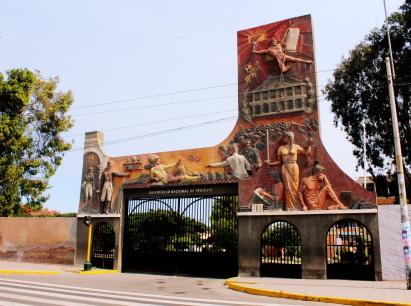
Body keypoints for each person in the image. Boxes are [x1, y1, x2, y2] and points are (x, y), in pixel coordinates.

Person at [265, 131, 311, 211]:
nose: (283, 139)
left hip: (294, 167)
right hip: (285, 167)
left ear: (290, 137)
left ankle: (297, 206)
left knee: (295, 187)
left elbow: (307, 153)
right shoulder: (281, 148)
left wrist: (310, 144)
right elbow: (279, 162)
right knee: (287, 187)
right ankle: (288, 207)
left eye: (285, 137)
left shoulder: (296, 147)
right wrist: (270, 163)